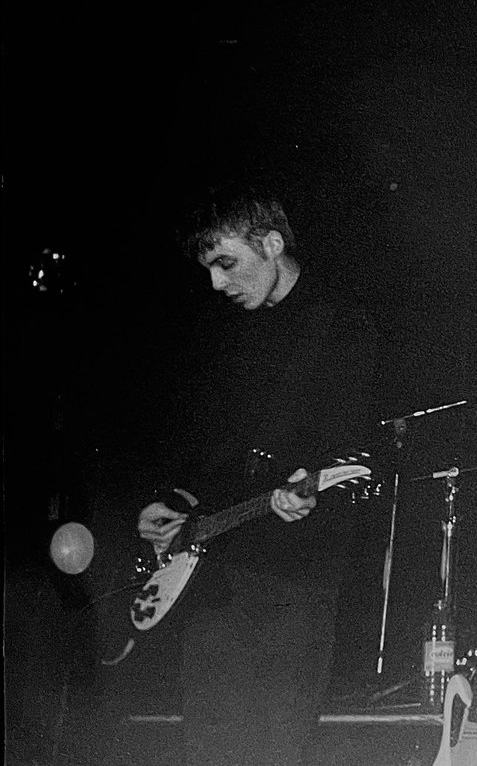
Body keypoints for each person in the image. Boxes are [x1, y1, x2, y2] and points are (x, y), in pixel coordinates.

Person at [136, 187, 381, 765]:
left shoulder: (341, 324)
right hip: (217, 578)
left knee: (272, 748)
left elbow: (355, 454)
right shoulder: (232, 335)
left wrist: (310, 489)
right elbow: (209, 451)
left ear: (271, 245)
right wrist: (171, 502)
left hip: (295, 581)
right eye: (210, 270)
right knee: (205, 747)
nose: (217, 284)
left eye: (227, 263)